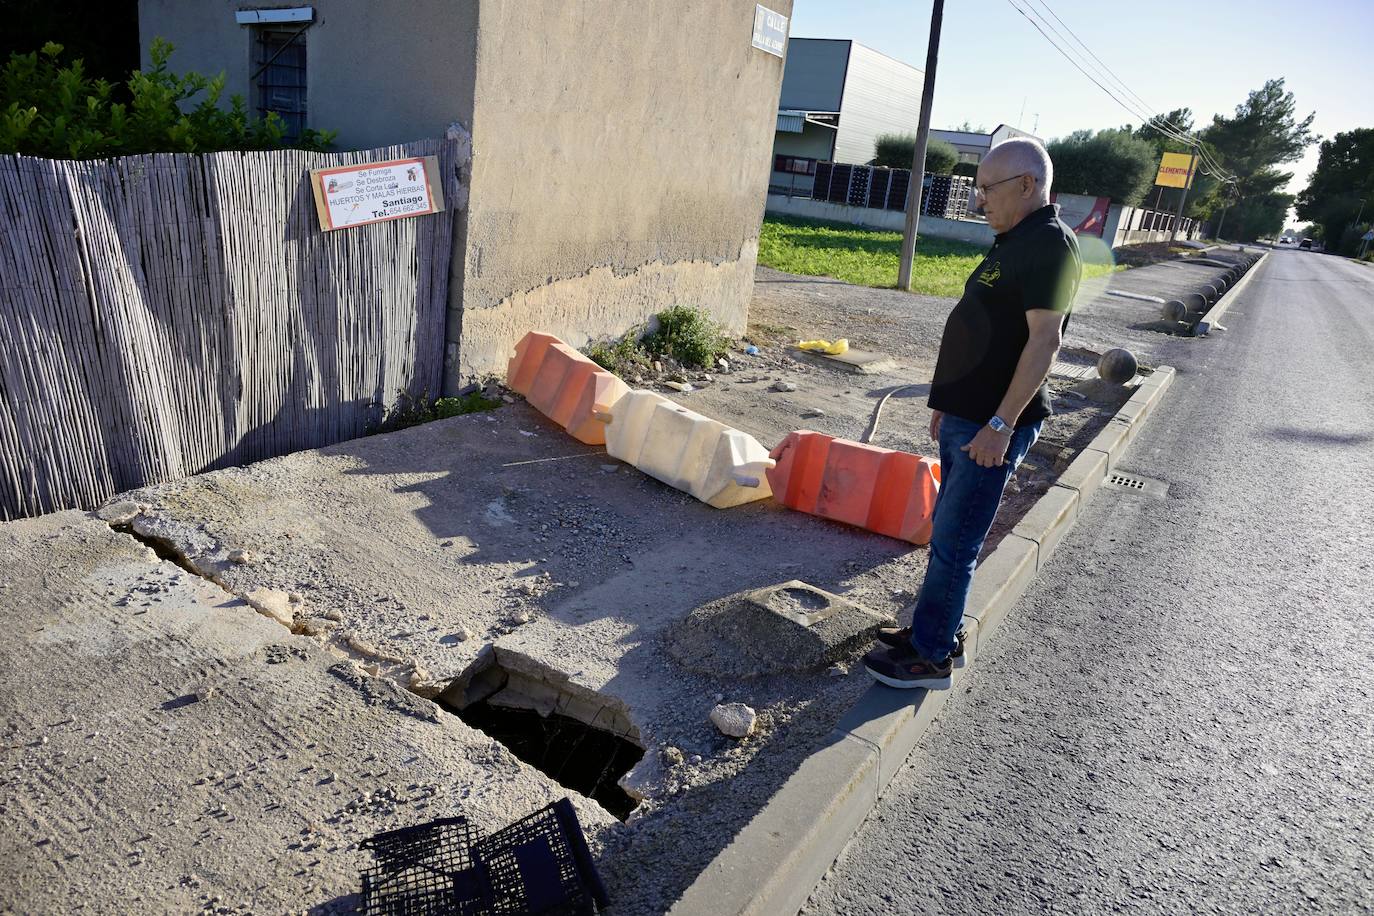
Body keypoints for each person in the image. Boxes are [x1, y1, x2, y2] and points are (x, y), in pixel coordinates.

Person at [863, 138, 1081, 690]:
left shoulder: (1049, 245)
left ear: (1027, 185)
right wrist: (948, 402)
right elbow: (983, 330)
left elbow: (1043, 342)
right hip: (970, 417)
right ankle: (935, 630)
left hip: (993, 426)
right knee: (949, 536)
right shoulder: (1013, 240)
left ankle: (930, 657)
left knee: (956, 542)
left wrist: (1001, 425)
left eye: (988, 188)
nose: (979, 200)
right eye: (978, 189)